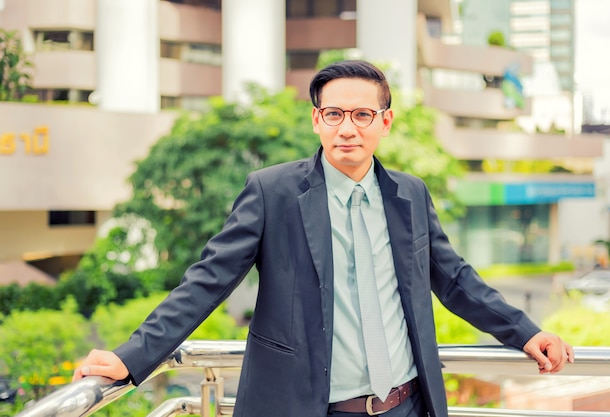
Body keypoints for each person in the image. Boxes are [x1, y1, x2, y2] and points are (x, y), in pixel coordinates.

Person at [73, 60, 574, 417]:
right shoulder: (272, 192)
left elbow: (455, 279)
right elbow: (207, 282)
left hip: (407, 403)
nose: (347, 128)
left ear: (385, 121)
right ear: (317, 120)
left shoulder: (410, 194)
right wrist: (130, 356)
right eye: (334, 114)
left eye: (362, 115)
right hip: (309, 407)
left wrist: (526, 332)